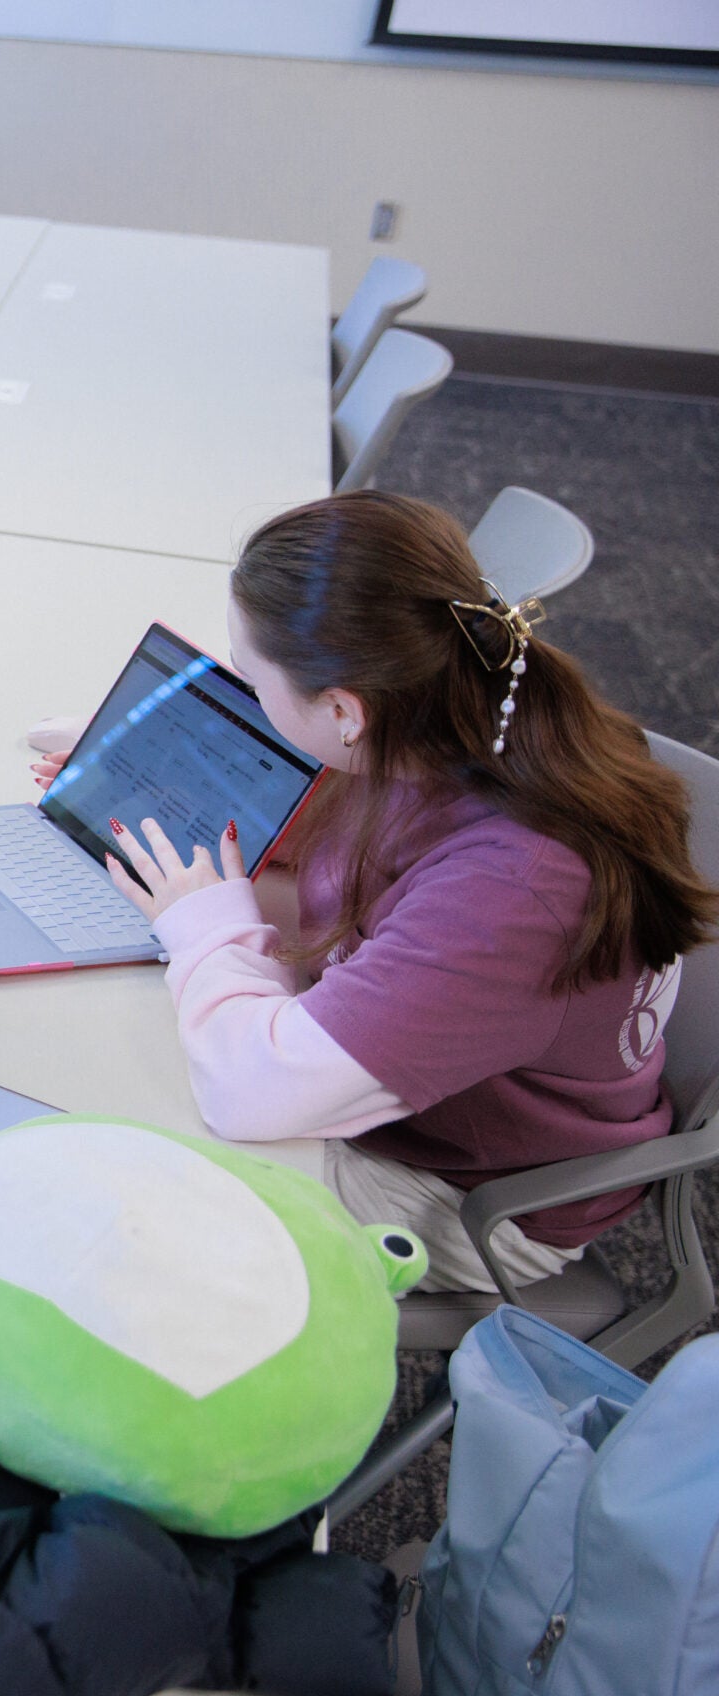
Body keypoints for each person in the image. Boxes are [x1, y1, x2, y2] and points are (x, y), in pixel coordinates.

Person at [79, 490, 715, 1292]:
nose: (248, 693)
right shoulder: (458, 712)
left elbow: (250, 1093)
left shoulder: (514, 894)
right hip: (417, 1088)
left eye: (251, 678)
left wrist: (205, 930)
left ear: (344, 711)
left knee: (116, 1163)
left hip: (464, 1194)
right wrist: (155, 765)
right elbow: (344, 840)